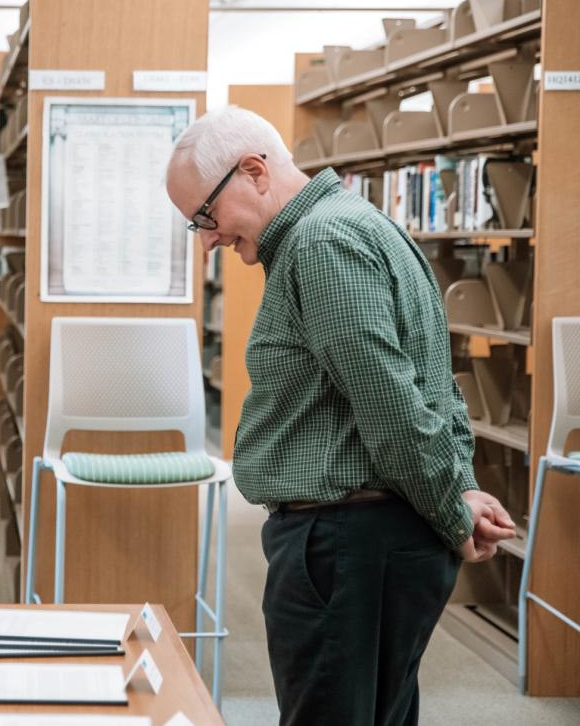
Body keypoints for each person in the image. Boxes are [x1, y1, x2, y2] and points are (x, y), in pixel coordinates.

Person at [165, 105, 516, 726]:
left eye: (206, 216)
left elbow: (392, 404)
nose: (209, 239)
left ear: (254, 171)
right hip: (371, 540)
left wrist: (450, 511)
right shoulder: (356, 225)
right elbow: (429, 377)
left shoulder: (321, 243)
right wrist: (458, 485)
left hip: (347, 547)